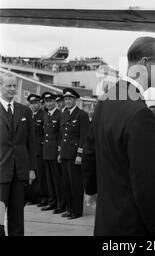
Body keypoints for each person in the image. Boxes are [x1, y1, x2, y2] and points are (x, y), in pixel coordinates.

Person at [82, 36, 155, 236]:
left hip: (106, 222)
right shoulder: (140, 113)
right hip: (132, 227)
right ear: (145, 63)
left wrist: (91, 189)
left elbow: (89, 152)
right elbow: (145, 182)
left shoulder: (105, 101)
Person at [0, 73, 36, 236]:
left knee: (17, 216)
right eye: (9, 86)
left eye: (15, 86)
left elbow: (31, 142)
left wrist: (31, 169)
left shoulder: (25, 111)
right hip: (1, 171)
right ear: (1, 86)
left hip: (20, 172)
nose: (13, 89)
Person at [58, 88, 89, 220]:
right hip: (65, 154)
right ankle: (69, 209)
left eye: (70, 99)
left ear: (75, 100)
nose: (68, 101)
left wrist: (80, 155)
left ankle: (77, 211)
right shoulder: (64, 114)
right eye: (66, 99)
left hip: (75, 155)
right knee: (66, 184)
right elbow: (61, 135)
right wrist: (59, 152)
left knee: (76, 184)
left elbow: (84, 137)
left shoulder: (82, 115)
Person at [41, 92, 65, 214]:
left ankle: (61, 204)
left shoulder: (59, 115)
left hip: (55, 152)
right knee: (49, 179)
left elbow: (61, 135)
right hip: (46, 151)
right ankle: (52, 202)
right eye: (47, 101)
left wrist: (59, 151)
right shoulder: (46, 115)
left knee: (57, 179)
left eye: (51, 101)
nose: (49, 103)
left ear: (55, 102)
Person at [27, 94, 49, 207]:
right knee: (32, 175)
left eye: (36, 103)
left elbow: (47, 133)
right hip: (30, 150)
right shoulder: (29, 115)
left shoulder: (44, 115)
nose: (34, 105)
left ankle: (43, 197)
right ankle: (32, 197)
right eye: (32, 103)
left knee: (41, 175)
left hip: (40, 149)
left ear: (39, 103)